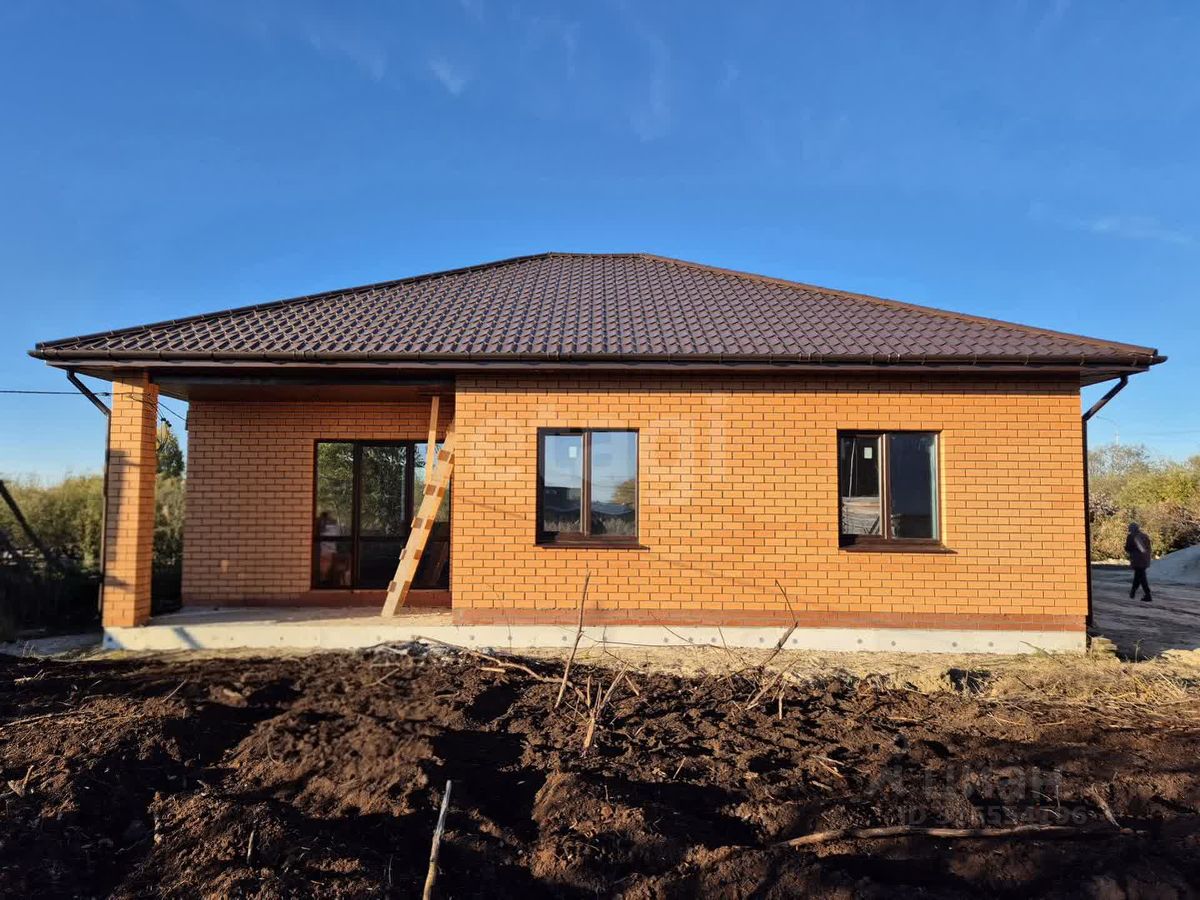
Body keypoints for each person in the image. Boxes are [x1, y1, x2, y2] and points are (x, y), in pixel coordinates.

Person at [1125, 523, 1153, 603]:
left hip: (1137, 559)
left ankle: (1147, 594)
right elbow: (1149, 547)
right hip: (1145, 558)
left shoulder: (1131, 537)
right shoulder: (1145, 536)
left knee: (1141, 577)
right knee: (1139, 576)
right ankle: (1134, 592)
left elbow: (1128, 548)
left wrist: (1131, 550)